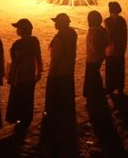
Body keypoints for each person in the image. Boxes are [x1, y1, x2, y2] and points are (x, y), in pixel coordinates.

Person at [43, 13, 77, 151]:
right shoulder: (72, 33)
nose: (54, 24)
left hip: (60, 71)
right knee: (67, 94)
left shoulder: (59, 38)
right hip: (69, 69)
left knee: (56, 95)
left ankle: (55, 117)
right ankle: (66, 113)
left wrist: (52, 73)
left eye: (56, 22)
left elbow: (56, 58)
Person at [5, 18, 43, 129]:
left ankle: (18, 118)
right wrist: (39, 71)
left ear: (22, 30)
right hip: (30, 75)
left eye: (18, 28)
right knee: (28, 99)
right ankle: (26, 119)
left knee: (18, 98)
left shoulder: (17, 44)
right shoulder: (35, 41)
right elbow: (38, 57)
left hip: (19, 76)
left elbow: (14, 61)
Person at [83, 10, 109, 99]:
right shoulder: (103, 30)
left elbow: (93, 46)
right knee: (95, 73)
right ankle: (97, 91)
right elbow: (107, 42)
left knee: (92, 74)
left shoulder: (93, 32)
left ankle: (94, 92)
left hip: (93, 57)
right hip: (101, 55)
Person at [104, 1, 127, 94]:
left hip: (110, 49)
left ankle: (110, 86)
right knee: (119, 68)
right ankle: (120, 86)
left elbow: (107, 35)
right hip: (120, 48)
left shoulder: (107, 21)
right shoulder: (122, 20)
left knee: (110, 68)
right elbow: (124, 35)